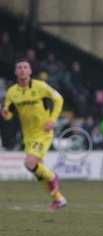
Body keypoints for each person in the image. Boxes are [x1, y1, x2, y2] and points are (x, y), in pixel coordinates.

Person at [1, 58, 67, 211]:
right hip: (28, 135)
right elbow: (8, 113)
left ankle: (53, 177)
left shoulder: (41, 87)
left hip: (43, 132)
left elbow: (59, 99)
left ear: (30, 71)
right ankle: (59, 199)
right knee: (38, 170)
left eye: (25, 67)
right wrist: (5, 114)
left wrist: (52, 119)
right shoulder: (11, 92)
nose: (22, 70)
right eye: (19, 68)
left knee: (29, 163)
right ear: (15, 72)